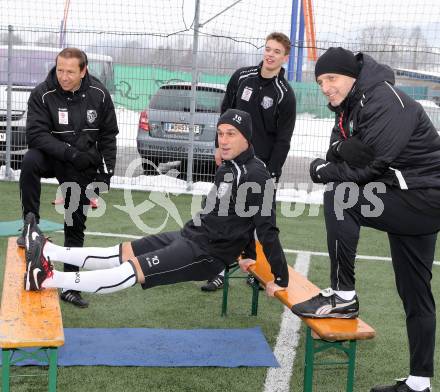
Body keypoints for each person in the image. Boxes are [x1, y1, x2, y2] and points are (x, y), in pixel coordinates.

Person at [23, 109, 289, 308]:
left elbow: (266, 227)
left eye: (231, 134)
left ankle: (48, 278)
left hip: (207, 254)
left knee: (132, 270)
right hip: (191, 236)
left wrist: (280, 277)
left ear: (247, 137)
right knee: (124, 251)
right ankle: (48, 250)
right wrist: (247, 253)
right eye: (220, 134)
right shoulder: (230, 166)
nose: (224, 140)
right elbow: (240, 218)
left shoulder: (257, 177)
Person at [291, 47, 440, 392]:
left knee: (340, 195)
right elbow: (339, 150)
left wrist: (325, 167)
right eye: (320, 82)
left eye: (331, 79)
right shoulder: (349, 107)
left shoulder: (385, 101)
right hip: (406, 195)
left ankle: (343, 297)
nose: (325, 87)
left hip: (423, 197)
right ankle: (419, 384)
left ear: (352, 75)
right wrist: (344, 153)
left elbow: (369, 167)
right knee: (415, 293)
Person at [18, 47, 119, 308]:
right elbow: (36, 136)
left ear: (83, 70)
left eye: (70, 72)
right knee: (29, 160)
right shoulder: (42, 93)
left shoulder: (99, 95)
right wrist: (69, 152)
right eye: (60, 70)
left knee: (75, 225)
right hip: (54, 158)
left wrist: (106, 174)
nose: (63, 76)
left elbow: (108, 135)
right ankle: (30, 226)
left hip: (82, 167)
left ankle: (71, 287)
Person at [201, 31, 296, 292]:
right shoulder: (241, 77)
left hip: (258, 168)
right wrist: (217, 146)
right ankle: (218, 269)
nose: (270, 54)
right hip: (232, 163)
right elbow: (224, 115)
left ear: (285, 57)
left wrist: (271, 171)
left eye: (276, 51)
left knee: (259, 221)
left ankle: (257, 268)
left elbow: (283, 139)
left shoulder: (285, 95)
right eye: (268, 49)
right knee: (220, 214)